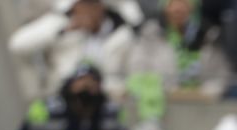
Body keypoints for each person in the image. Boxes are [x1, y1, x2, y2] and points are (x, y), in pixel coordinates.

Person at [8, 0, 141, 100]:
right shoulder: (60, 23)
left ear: (99, 7)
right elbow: (17, 44)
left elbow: (130, 78)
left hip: (104, 104)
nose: (79, 13)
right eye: (75, 8)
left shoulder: (124, 36)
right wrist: (63, 29)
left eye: (84, 7)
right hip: (61, 98)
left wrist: (98, 86)